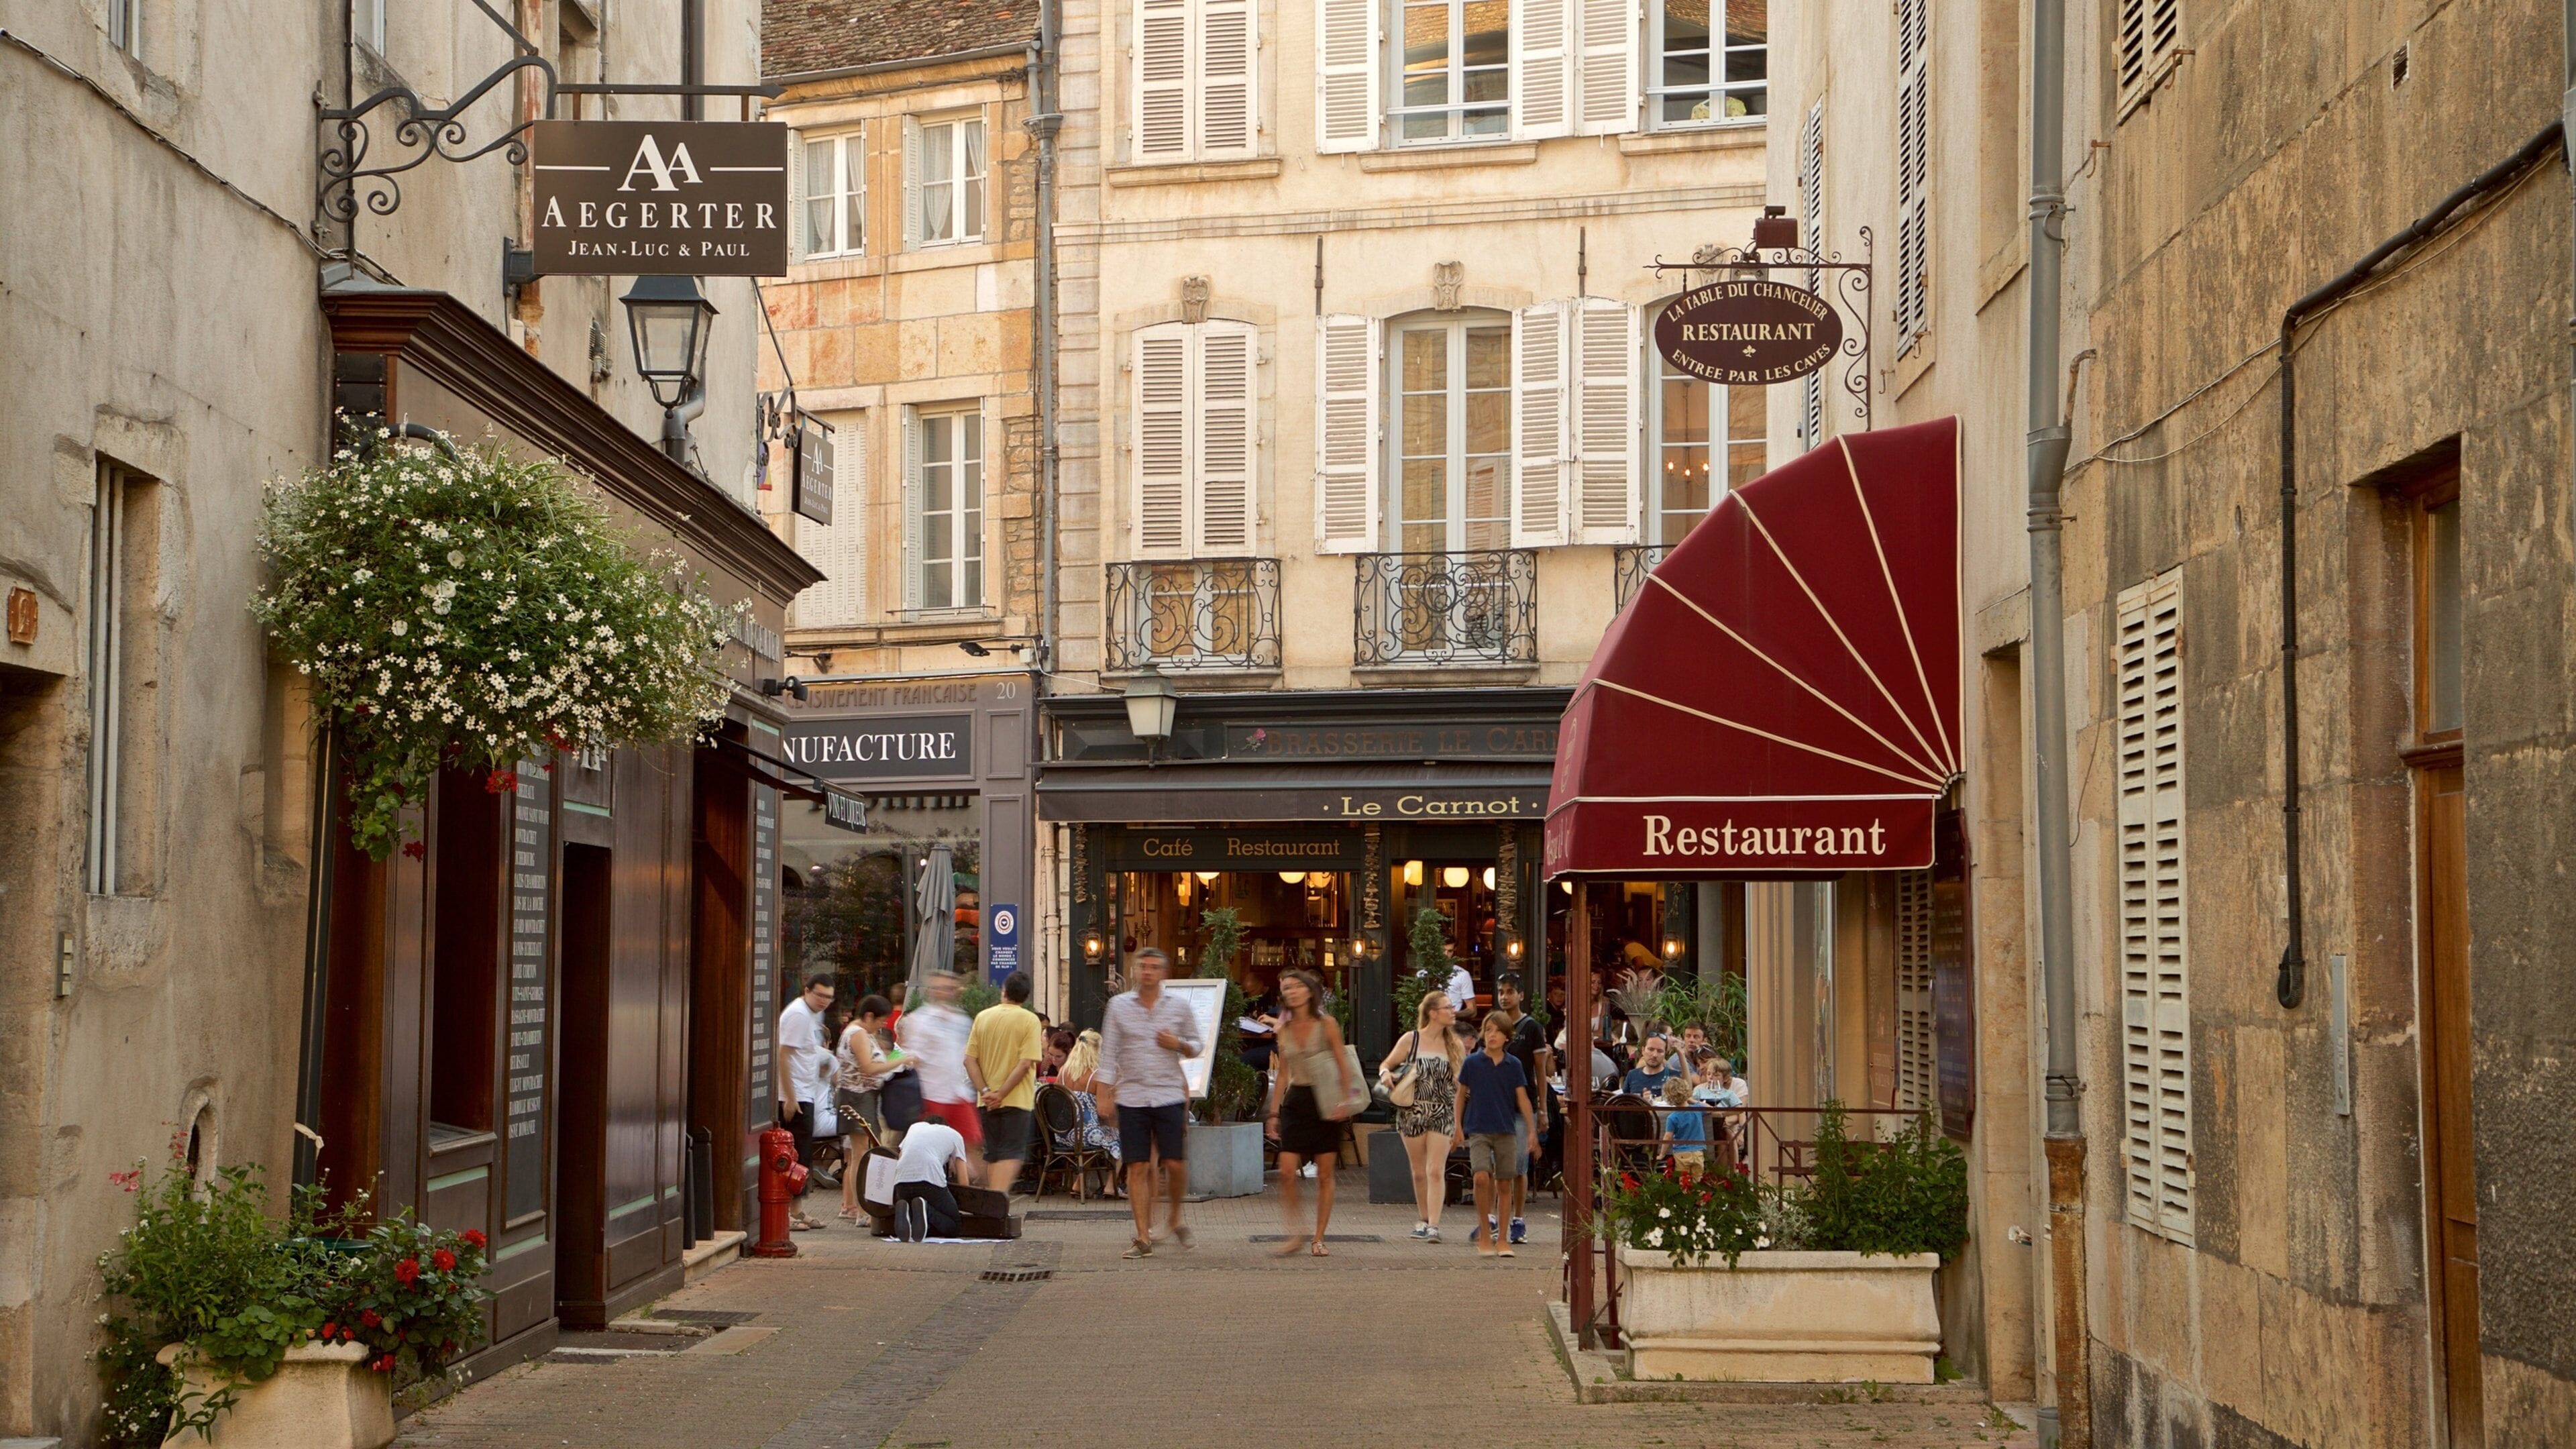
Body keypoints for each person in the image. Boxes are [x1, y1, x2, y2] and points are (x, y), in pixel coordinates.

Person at [1095, 947, 1202, 1258]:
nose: (1148, 972)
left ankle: (1173, 1217)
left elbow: (1197, 1045)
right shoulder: (1118, 1006)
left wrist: (1178, 1044)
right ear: (1135, 970)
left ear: (1164, 973)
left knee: (1175, 1164)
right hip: (1132, 1096)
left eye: (1155, 967)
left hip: (1168, 1093)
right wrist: (1104, 1093)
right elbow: (1109, 1053)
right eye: (1143, 966)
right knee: (1138, 1165)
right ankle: (1143, 1237)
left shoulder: (1178, 1007)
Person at [1263, 969, 1358, 1258]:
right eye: (1285, 988)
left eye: (1295, 987)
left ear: (1308, 991)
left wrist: (1346, 1101)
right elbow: (1283, 1074)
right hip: (1297, 1100)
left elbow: (1344, 1064)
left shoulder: (1326, 1023)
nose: (1290, 992)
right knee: (1287, 1172)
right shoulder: (1285, 1028)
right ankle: (1296, 1232)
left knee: (1325, 1175)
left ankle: (1319, 1238)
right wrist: (1274, 1112)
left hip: (1325, 1099)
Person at [1456, 1011, 1540, 1258]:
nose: (1491, 1035)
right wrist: (1458, 1126)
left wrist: (1532, 1130)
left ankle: (1503, 1238)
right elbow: (1461, 1095)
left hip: (1506, 1129)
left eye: (1497, 1031)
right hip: (1479, 1128)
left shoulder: (1513, 1065)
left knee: (1505, 1182)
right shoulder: (1472, 1063)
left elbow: (1522, 1098)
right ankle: (1485, 1232)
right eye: (1488, 1030)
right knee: (1481, 1177)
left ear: (1506, 1037)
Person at [1381, 991, 1462, 1243]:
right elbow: (1387, 1064)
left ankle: (1435, 1226)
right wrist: (1385, 1074)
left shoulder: (1455, 1044)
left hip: (1442, 1111)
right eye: (1448, 1007)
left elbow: (1461, 1087)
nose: (1453, 1011)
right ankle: (1424, 1219)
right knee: (1418, 1171)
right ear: (1433, 1013)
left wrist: (1458, 1122)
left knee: (1435, 1169)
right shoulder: (1411, 1040)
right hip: (1412, 1111)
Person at [1485, 973, 1550, 1246]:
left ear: (1521, 995)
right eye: (1501, 991)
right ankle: (1491, 1218)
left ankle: (1518, 1220)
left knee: (1519, 1166)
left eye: (1510, 991)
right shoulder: (1493, 1024)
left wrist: (1543, 1109)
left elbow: (1540, 1070)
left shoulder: (1532, 1027)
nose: (1504, 996)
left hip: (1523, 1104)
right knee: (1492, 1164)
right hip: (1496, 1103)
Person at [965, 971, 1045, 1191]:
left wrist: (986, 1091)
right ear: (1026, 997)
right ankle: (997, 1204)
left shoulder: (983, 1017)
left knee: (993, 1155)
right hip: (1016, 1099)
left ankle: (994, 1204)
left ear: (1004, 992)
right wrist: (1001, 1093)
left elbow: (969, 1060)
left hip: (986, 1101)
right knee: (1012, 1154)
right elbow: (1025, 1064)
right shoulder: (1030, 1020)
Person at [774, 973, 837, 1232]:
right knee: (794, 1155)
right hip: (795, 1094)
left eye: (829, 997)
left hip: (806, 1090)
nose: (824, 1001)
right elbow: (783, 1054)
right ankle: (787, 1212)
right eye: (819, 995)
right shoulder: (799, 1014)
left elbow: (804, 1053)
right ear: (807, 990)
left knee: (802, 1156)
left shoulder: (813, 1015)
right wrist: (789, 1096)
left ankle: (796, 1210)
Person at [900, 971, 981, 1157]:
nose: (946, 993)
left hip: (958, 1093)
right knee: (930, 1149)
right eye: (941, 988)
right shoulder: (919, 1019)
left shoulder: (962, 1019)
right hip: (931, 1093)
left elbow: (965, 1055)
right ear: (932, 991)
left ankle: (966, 1184)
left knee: (971, 1144)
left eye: (951, 989)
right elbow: (909, 1055)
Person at [834, 995, 898, 1220]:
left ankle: (853, 1206)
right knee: (861, 1154)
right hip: (858, 1097)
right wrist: (901, 1061)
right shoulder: (859, 1033)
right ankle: (863, 1210)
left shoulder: (854, 1031)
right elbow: (869, 1068)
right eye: (881, 1021)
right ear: (869, 1016)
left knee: (857, 1154)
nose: (883, 1026)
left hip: (857, 1096)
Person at [1055, 1029, 1124, 1191]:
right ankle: (1111, 1187)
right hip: (1087, 1135)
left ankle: (1079, 1183)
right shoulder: (1097, 1076)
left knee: (1092, 1135)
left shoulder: (1063, 1073)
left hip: (1064, 1134)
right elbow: (1104, 1112)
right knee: (1123, 1138)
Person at [888, 1116, 971, 1242]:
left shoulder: (914, 1128)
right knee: (954, 1225)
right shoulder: (954, 1135)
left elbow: (902, 1156)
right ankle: (926, 1210)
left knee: (917, 1212)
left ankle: (908, 1210)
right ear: (945, 1126)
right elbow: (964, 1180)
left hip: (901, 1181)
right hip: (929, 1179)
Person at [1662, 1076, 1710, 1180]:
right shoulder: (1697, 1109)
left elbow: (1668, 1137)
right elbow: (1710, 1109)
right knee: (1698, 1180)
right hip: (1698, 1152)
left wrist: (1662, 1154)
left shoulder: (1672, 1117)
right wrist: (1693, 1101)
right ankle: (1699, 1196)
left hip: (1681, 1153)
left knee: (1684, 1181)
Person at [1621, 1035, 1680, 1100]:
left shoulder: (1674, 1077)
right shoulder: (1632, 1075)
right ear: (1643, 1051)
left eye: (1660, 1051)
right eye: (1651, 1049)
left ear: (1665, 1054)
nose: (1655, 1055)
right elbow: (1624, 1102)